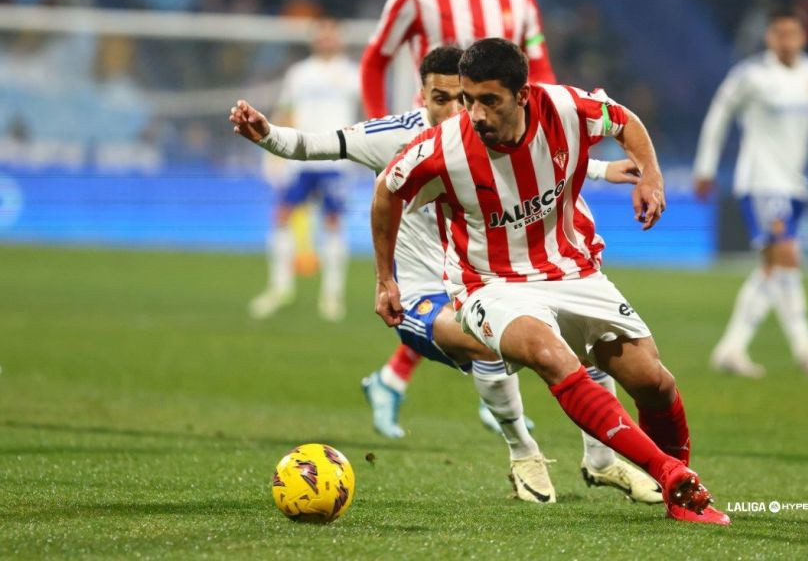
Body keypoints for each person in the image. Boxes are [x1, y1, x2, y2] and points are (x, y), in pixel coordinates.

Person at [230, 46, 663, 506]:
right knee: (486, 337)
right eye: (443, 98)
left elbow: (538, 153)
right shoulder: (398, 138)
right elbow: (316, 145)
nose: (461, 111)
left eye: (466, 98)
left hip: (491, 282)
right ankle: (523, 453)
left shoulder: (489, 130)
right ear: (422, 97)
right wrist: (268, 136)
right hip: (425, 298)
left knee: (584, 332)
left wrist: (598, 169)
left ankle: (600, 462)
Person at [371, 38, 731, 525]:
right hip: (489, 284)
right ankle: (668, 474)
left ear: (522, 95)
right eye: (469, 99)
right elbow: (386, 191)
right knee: (548, 354)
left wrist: (652, 176)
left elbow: (624, 120)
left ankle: (680, 496)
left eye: (489, 101)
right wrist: (385, 279)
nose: (475, 113)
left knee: (653, 382)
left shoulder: (564, 107)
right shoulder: (443, 148)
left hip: (572, 269)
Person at [360, 0, 556, 429]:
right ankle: (492, 391)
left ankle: (397, 379)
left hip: (499, 148)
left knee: (480, 276)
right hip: (439, 154)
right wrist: (383, 136)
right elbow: (374, 61)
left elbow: (539, 69)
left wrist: (546, 132)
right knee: (466, 275)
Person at [693, 9, 808, 379]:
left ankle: (731, 348)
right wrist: (705, 168)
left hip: (794, 182)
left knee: (771, 268)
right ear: (769, 37)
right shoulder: (751, 76)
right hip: (760, 180)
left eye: (792, 33)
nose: (786, 40)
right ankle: (807, 351)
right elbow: (718, 116)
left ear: (802, 37)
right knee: (787, 257)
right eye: (779, 33)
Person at [249, 19, 358, 322]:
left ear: (339, 41)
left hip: (336, 158)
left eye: (331, 36)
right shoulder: (299, 73)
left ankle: (332, 296)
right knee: (281, 216)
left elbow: (367, 110)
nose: (326, 41)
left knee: (333, 223)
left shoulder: (351, 74)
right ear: (314, 41)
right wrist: (272, 149)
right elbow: (285, 110)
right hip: (300, 158)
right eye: (321, 37)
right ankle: (280, 288)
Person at [360, 0, 555, 119]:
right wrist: (379, 122)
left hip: (498, 130)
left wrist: (542, 116)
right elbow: (374, 62)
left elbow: (539, 67)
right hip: (435, 132)